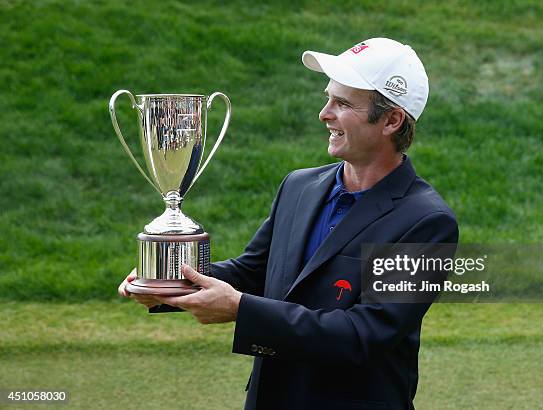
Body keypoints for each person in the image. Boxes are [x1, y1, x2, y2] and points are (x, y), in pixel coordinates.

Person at [119, 37, 458, 410]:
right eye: (328, 97)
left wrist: (240, 309)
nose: (324, 113)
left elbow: (365, 334)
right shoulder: (299, 186)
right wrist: (166, 283)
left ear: (392, 120)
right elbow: (253, 272)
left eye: (342, 103)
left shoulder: (427, 222)